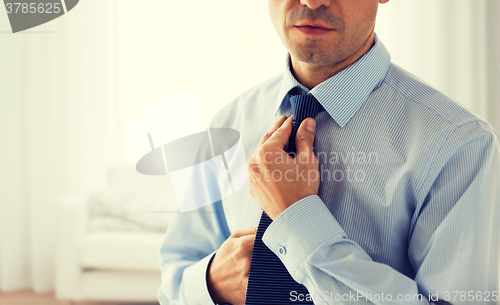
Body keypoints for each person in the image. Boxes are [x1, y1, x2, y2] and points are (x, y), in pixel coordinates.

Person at [158, 0, 500, 304]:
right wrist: (211, 283)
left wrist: (296, 217)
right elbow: (174, 278)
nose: (312, 0)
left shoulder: (461, 144)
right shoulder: (226, 122)